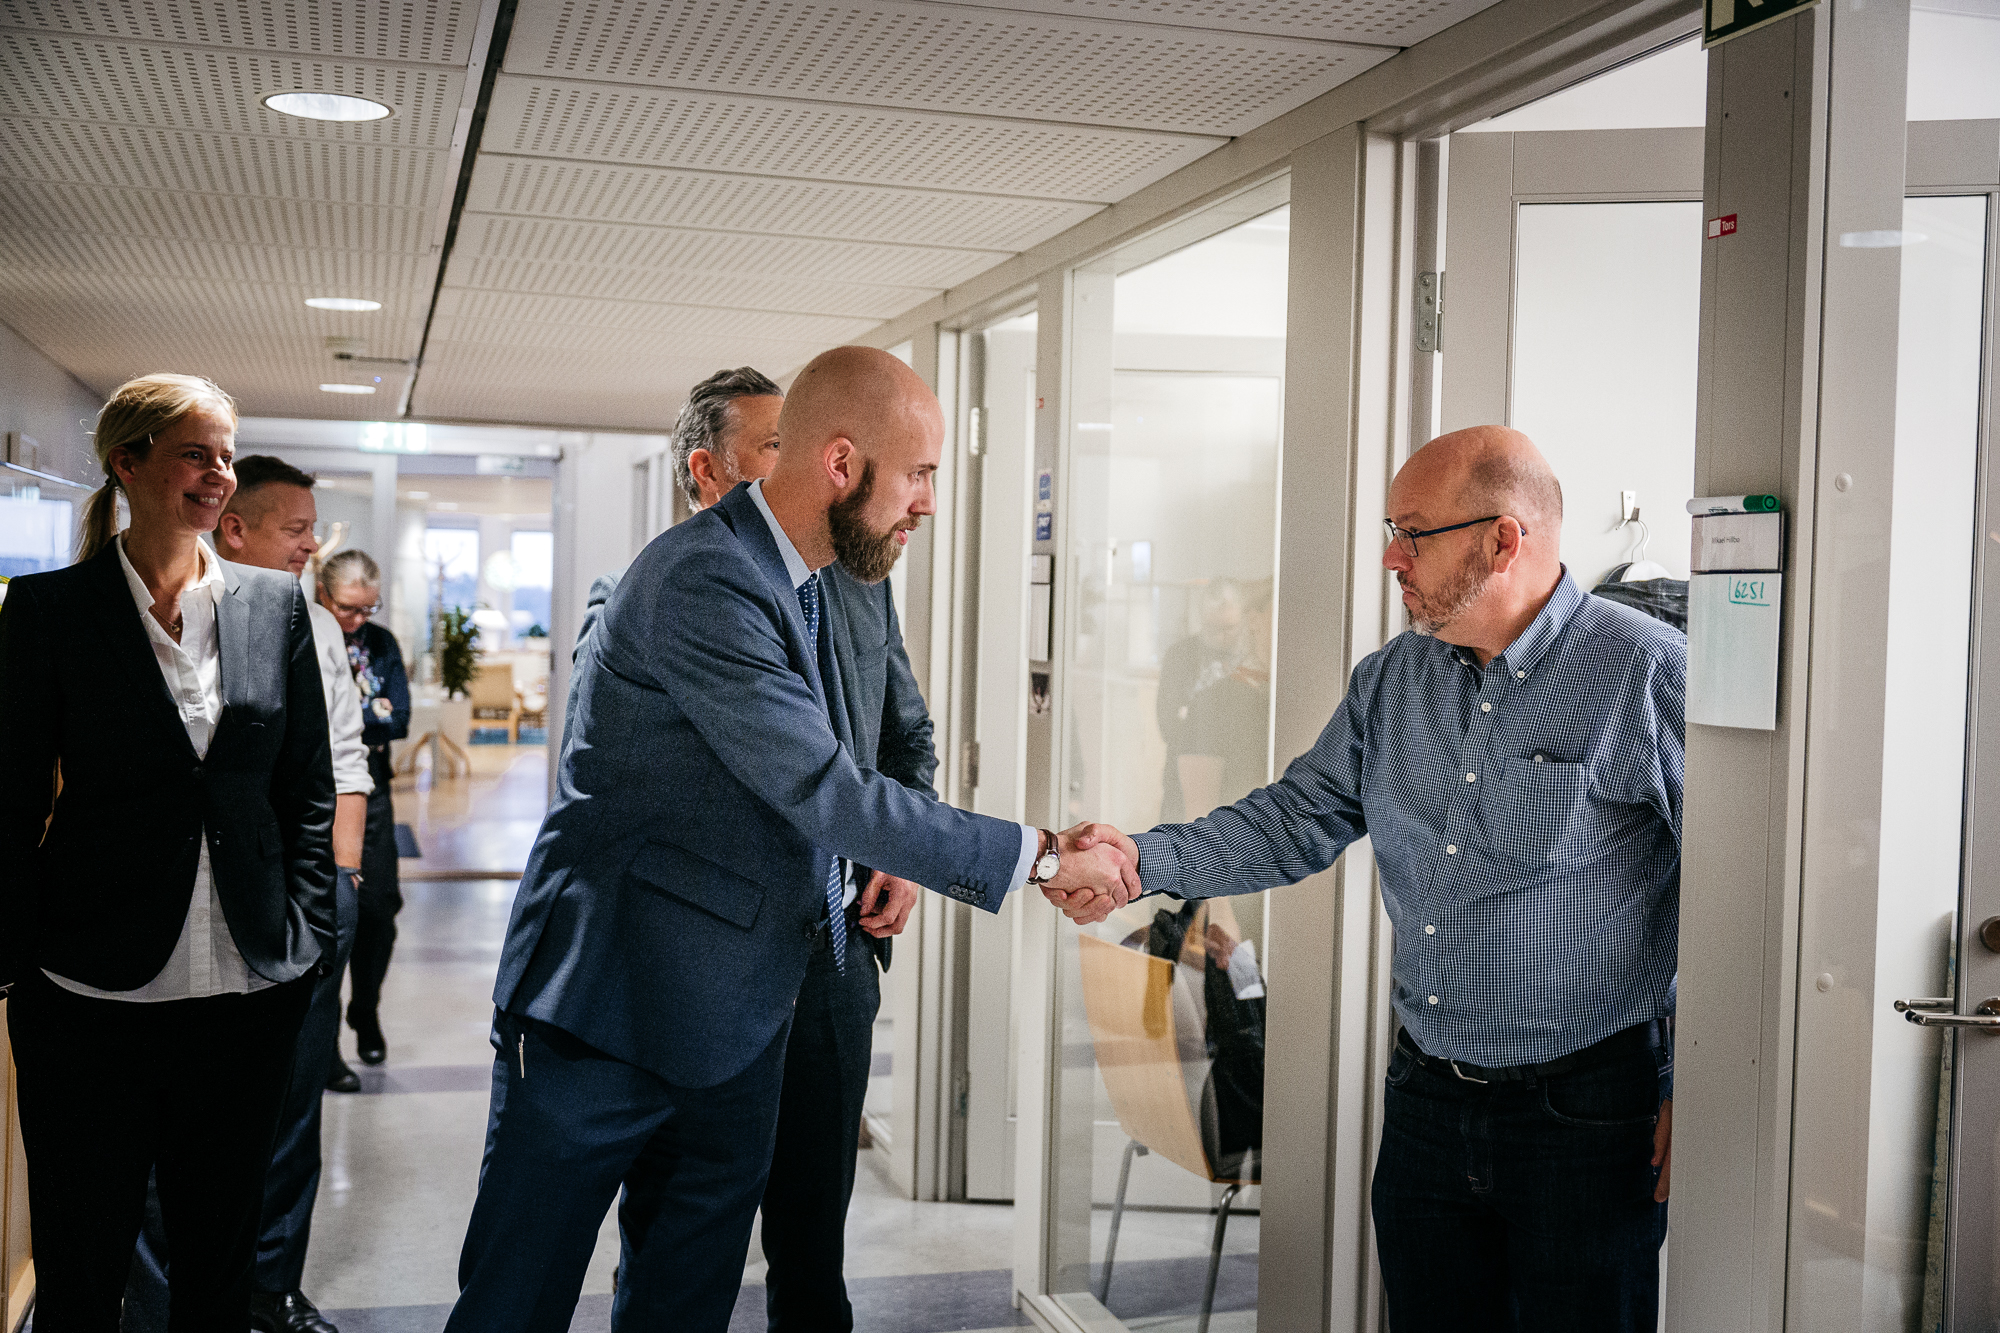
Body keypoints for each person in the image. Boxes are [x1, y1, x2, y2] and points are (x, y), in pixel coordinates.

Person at [442, 345, 1138, 1333]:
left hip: (743, 1017)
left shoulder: (832, 584)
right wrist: (1038, 854)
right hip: (607, 1014)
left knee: (684, 1302)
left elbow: (883, 751)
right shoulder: (700, 581)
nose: (928, 504)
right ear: (843, 465)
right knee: (516, 1302)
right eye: (921, 475)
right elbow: (822, 787)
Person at [1057, 425, 1683, 1331]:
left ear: (1503, 539)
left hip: (1585, 1117)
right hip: (1428, 1098)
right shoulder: (1393, 680)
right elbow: (1295, 819)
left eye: (1414, 532)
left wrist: (1694, 1080)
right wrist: (1141, 859)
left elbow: (1733, 889)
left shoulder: (1643, 672)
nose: (1392, 555)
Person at [585, 365, 924, 1330]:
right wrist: (1018, 855)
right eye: (777, 452)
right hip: (705, 970)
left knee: (815, 1238)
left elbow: (904, 737)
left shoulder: (858, 588)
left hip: (831, 954)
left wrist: (900, 846)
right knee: (685, 1239)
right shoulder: (662, 590)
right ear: (708, 470)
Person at [0, 374, 336, 1332]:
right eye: (197, 453)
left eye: (227, 454)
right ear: (129, 463)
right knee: (82, 1260)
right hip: (88, 993)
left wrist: (305, 937)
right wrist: (12, 963)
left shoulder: (274, 609)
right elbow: (10, 800)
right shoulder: (51, 610)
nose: (220, 474)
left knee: (217, 1266)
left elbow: (303, 790)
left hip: (243, 996)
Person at [119, 459, 373, 1333]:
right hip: (178, 912)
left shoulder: (309, 621)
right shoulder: (152, 612)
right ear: (234, 528)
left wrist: (335, 891)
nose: (312, 543)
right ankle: (156, 1302)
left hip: (292, 907)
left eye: (313, 527)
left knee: (290, 1111)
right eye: (294, 528)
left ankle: (271, 1284)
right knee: (175, 1127)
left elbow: (340, 764)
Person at [318, 549, 410, 1068]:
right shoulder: (305, 633)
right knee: (327, 914)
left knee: (379, 910)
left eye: (368, 610)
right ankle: (325, 1042)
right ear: (323, 594)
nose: (358, 621)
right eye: (349, 609)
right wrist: (370, 712)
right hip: (317, 789)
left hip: (373, 789)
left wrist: (356, 715)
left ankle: (366, 1010)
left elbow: (399, 719)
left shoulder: (381, 644)